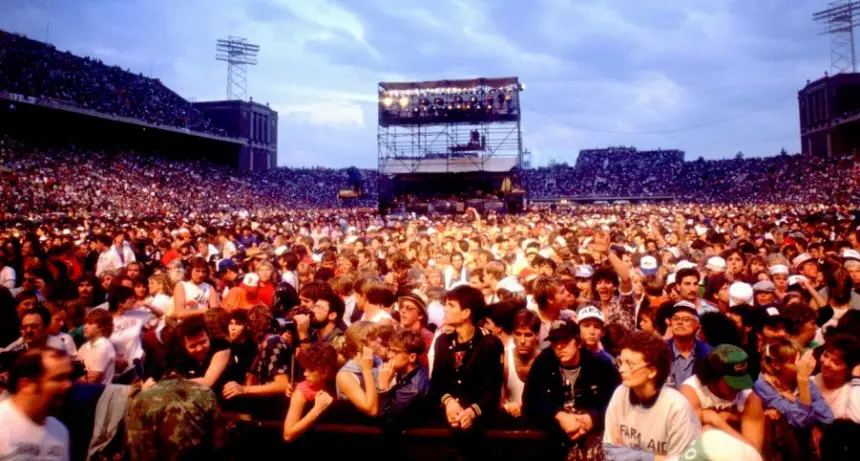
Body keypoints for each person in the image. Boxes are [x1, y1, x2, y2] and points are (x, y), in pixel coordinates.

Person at [523, 319, 620, 460]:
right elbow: (530, 401)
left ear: (579, 342)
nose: (560, 347)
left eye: (566, 341)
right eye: (555, 343)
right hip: (552, 439)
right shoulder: (543, 362)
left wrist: (593, 417)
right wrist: (558, 415)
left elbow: (617, 401)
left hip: (593, 439)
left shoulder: (600, 365)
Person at [602, 330, 701, 460]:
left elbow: (684, 459)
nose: (621, 369)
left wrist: (626, 454)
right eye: (621, 361)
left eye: (630, 364)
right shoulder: (620, 393)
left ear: (652, 371)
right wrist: (655, 458)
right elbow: (609, 450)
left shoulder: (676, 406)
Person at [431, 284, 504, 430]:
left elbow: (493, 390)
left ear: (466, 313)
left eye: (451, 306)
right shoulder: (443, 341)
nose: (445, 309)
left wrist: (471, 412)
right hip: (447, 417)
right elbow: (436, 383)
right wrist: (449, 402)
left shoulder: (489, 343)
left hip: (480, 423)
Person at [754, 337, 834, 459]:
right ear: (776, 364)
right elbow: (801, 421)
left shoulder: (799, 377)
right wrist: (803, 381)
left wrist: (794, 398)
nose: (800, 365)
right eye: (793, 362)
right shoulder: (764, 384)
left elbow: (827, 417)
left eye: (800, 359)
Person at [679, 344, 765, 452]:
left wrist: (718, 422)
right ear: (713, 377)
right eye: (732, 383)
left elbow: (754, 453)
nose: (739, 388)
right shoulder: (691, 392)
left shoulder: (750, 399)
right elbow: (688, 447)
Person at [0, 348, 73, 461]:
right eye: (59, 378)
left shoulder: (60, 431)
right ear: (27, 384)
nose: (68, 385)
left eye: (68, 377)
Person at [282, 344, 339, 442]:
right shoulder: (301, 391)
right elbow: (288, 435)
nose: (305, 373)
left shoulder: (335, 382)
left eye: (311, 370)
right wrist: (317, 409)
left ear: (325, 371)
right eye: (305, 368)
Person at [378, 329, 431, 428]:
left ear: (412, 357)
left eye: (395, 352)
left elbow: (388, 423)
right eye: (390, 350)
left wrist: (384, 386)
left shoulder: (414, 389)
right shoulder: (403, 372)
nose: (389, 355)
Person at [336, 320, 381, 418]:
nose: (380, 340)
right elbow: (371, 410)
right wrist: (367, 371)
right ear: (360, 345)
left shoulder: (378, 362)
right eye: (374, 339)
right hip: (357, 428)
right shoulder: (345, 375)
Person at [813, 333, 860, 423]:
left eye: (836, 362)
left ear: (850, 369)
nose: (826, 364)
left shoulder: (852, 393)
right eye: (825, 355)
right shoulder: (809, 381)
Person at [502, 309, 540, 419]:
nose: (522, 341)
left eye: (528, 335)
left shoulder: (545, 361)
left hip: (538, 421)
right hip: (509, 421)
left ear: (537, 336)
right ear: (512, 334)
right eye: (518, 334)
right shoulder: (504, 360)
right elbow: (496, 401)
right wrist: (507, 406)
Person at [666, 300, 713, 389]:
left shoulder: (709, 354)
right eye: (675, 319)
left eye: (686, 319)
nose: (679, 322)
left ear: (697, 325)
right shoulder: (659, 351)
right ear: (670, 323)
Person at [77, 308, 116, 385]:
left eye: (90, 323)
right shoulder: (84, 347)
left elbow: (91, 380)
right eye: (85, 323)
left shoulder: (104, 347)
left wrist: (76, 380)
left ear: (101, 326)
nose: (85, 327)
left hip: (99, 393)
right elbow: (74, 371)